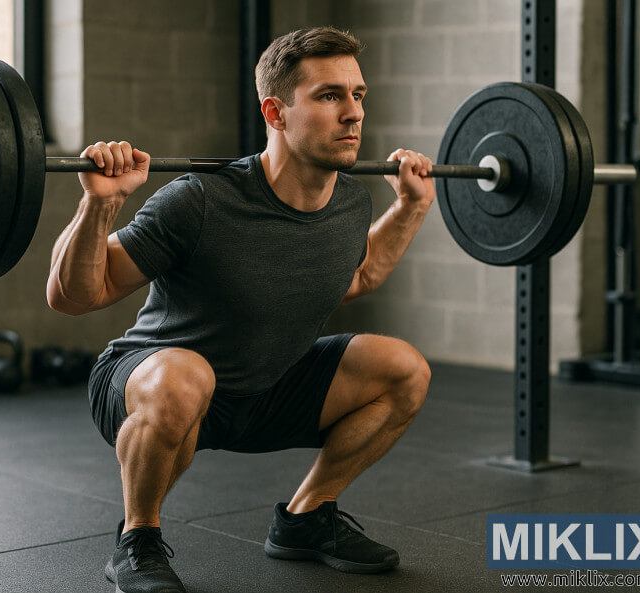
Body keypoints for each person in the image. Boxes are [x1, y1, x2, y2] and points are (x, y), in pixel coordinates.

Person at [48, 26, 433, 593]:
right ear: (275, 113)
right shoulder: (202, 199)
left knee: (403, 369)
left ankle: (306, 519)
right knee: (186, 376)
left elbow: (355, 276)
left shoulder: (351, 200)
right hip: (152, 382)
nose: (353, 114)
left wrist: (412, 207)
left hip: (265, 386)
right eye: (330, 96)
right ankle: (138, 541)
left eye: (358, 95)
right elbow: (76, 296)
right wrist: (99, 203)